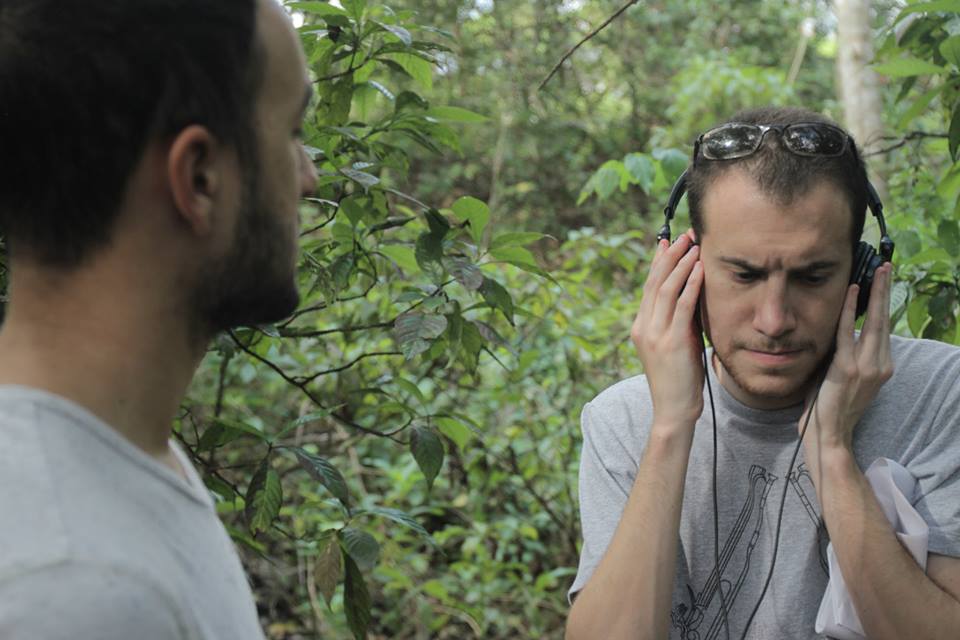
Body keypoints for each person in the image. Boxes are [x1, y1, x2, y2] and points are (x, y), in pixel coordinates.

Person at [565, 107, 960, 639]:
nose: (775, 320)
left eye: (813, 275)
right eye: (745, 274)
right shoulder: (623, 420)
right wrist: (671, 426)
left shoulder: (938, 393)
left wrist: (835, 454)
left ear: (862, 275)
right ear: (685, 270)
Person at [0, 0, 316, 637]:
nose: (308, 176)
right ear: (199, 178)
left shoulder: (118, 449)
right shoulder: (69, 588)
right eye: (292, 132)